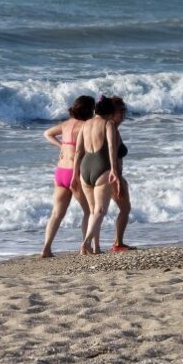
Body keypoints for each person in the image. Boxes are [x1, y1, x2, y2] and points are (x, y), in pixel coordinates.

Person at [40, 95, 96, 257]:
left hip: (60, 172)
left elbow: (47, 133)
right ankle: (85, 247)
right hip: (75, 173)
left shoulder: (65, 125)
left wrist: (61, 147)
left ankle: (46, 248)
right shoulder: (86, 126)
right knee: (89, 211)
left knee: (57, 213)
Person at [74, 95, 126, 254]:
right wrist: (114, 171)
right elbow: (111, 147)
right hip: (102, 166)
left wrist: (74, 174)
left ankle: (95, 248)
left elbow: (78, 150)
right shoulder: (108, 123)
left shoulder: (85, 124)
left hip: (85, 168)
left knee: (92, 210)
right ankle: (86, 242)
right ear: (110, 112)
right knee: (100, 210)